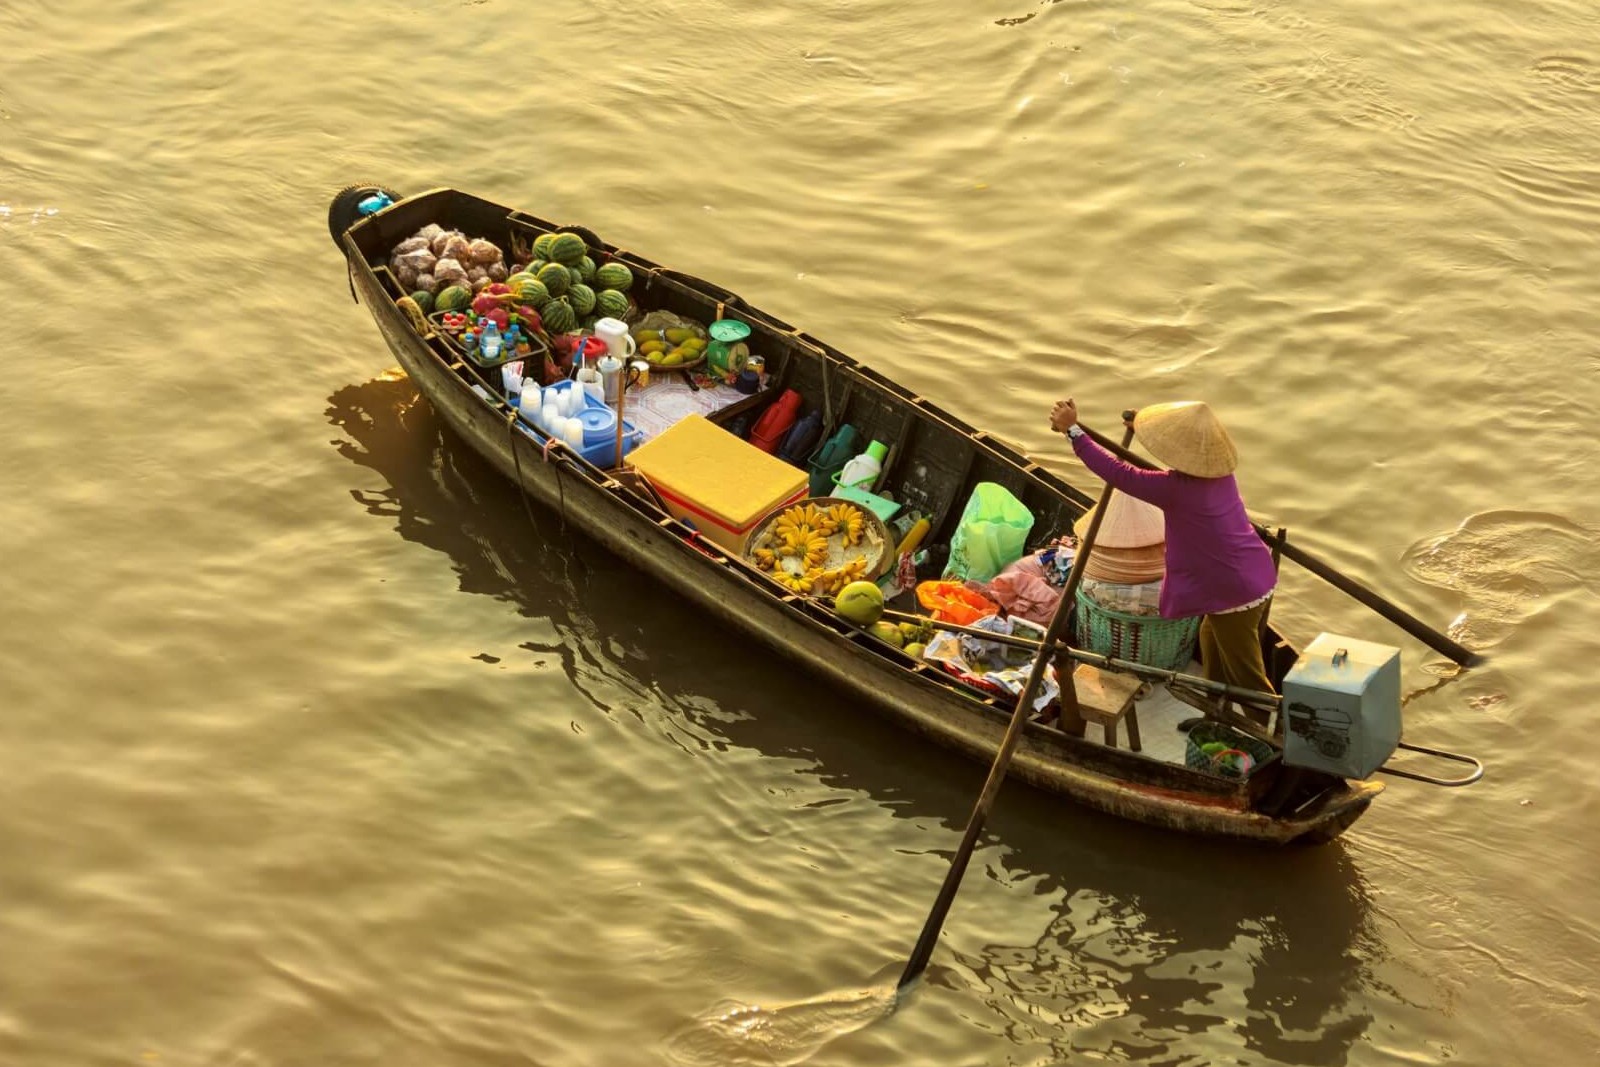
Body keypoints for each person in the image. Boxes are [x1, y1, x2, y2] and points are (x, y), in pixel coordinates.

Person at [1049, 397, 1278, 720]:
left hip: (1235, 592)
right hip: (1257, 574)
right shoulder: (1220, 478)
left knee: (1247, 678)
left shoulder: (1175, 489)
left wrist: (1073, 431)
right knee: (1209, 640)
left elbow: (1119, 473)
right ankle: (1215, 717)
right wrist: (1137, 429)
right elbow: (1144, 474)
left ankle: (1272, 736)